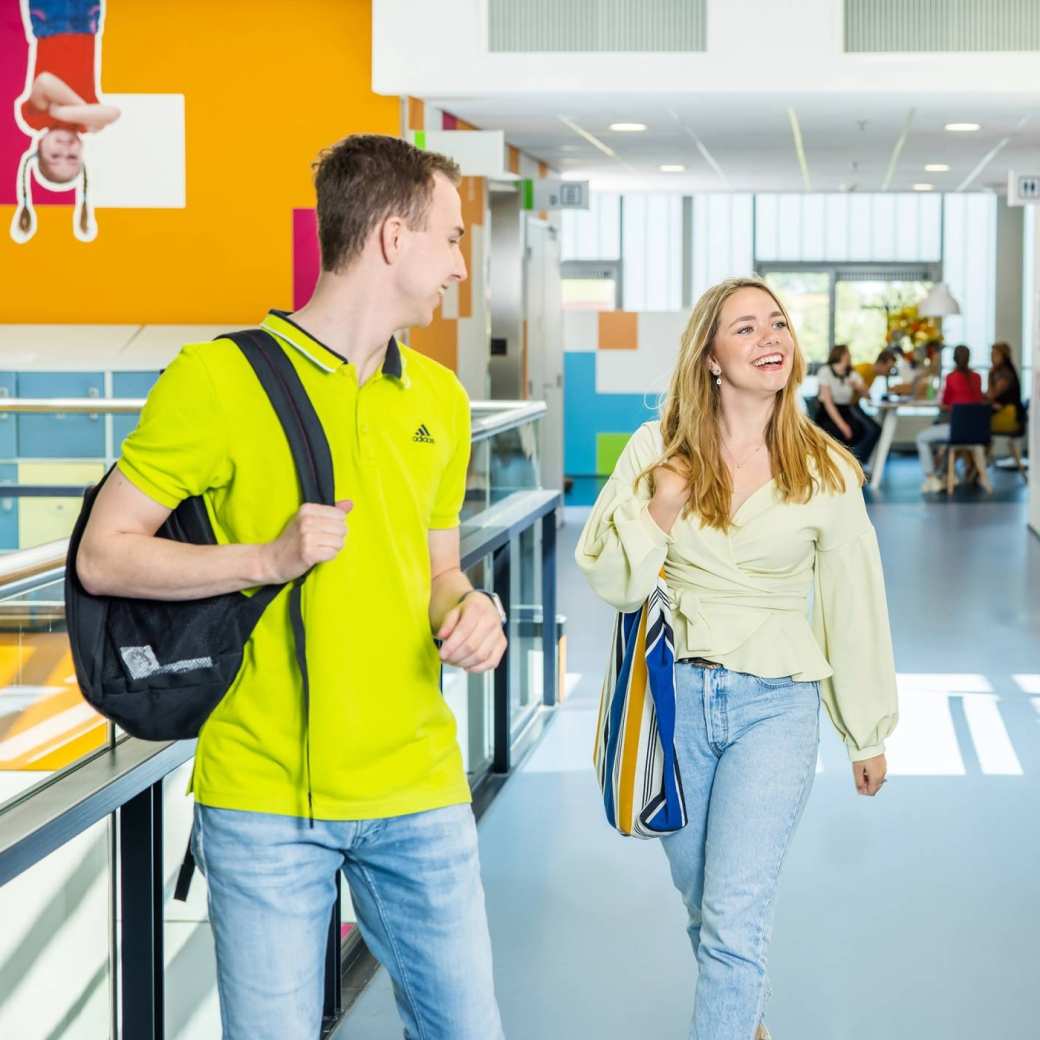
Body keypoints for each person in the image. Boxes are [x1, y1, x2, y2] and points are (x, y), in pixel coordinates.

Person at [76, 135, 507, 1040]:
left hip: (418, 790)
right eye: (453, 238)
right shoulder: (216, 381)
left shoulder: (439, 399)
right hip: (265, 800)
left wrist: (473, 611)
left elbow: (439, 571)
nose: (462, 266)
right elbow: (104, 555)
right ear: (393, 238)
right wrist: (262, 560)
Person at [576, 277, 898, 1040]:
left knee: (732, 911)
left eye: (778, 324)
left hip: (777, 704)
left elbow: (856, 606)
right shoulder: (657, 449)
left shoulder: (826, 469)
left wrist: (867, 730)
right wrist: (661, 507)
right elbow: (610, 576)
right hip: (675, 700)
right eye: (746, 328)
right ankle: (745, 1017)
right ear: (713, 358)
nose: (769, 339)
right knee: (703, 900)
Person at [11, 0, 121, 243]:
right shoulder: (82, 122)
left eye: (54, 156)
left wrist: (84, 114)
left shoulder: (34, 121)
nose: (64, 149)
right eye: (72, 158)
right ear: (82, 153)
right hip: (87, 23)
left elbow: (46, 82)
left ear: (39, 148)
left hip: (50, 21)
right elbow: (114, 113)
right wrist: (66, 113)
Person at [916, 343, 984, 493]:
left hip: (957, 430)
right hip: (977, 431)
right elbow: (978, 400)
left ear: (954, 359)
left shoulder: (951, 378)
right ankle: (945, 474)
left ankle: (931, 477)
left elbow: (945, 404)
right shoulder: (977, 377)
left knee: (922, 438)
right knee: (942, 436)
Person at [814, 344, 881, 465]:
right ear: (840, 354)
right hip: (828, 413)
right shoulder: (825, 371)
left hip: (846, 410)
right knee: (837, 432)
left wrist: (857, 386)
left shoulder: (851, 373)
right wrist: (843, 426)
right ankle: (833, 466)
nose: (850, 356)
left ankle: (853, 465)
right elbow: (828, 403)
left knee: (861, 430)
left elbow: (867, 395)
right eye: (847, 353)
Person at [986, 341, 1024, 435]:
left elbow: (992, 395)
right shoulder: (1004, 370)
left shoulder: (1005, 373)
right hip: (1006, 412)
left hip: (1010, 416)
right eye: (991, 354)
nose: (991, 357)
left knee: (978, 422)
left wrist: (990, 375)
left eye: (995, 354)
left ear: (1003, 356)